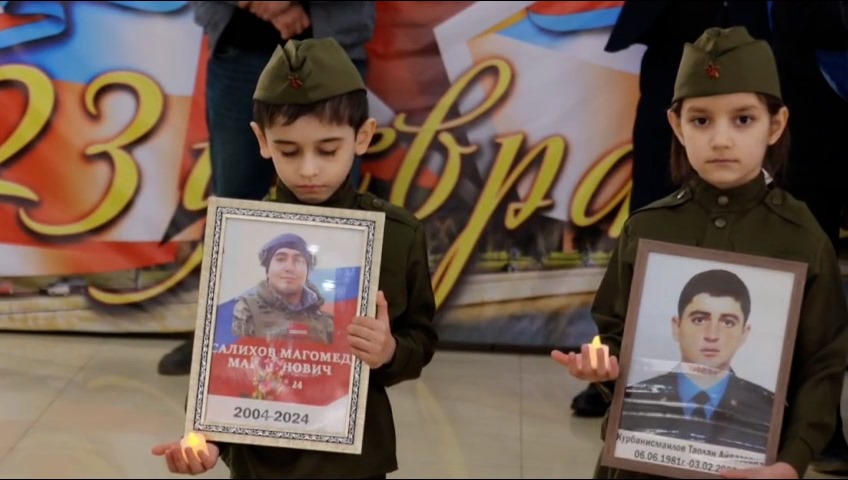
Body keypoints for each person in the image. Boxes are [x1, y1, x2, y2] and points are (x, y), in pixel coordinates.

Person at [552, 26, 848, 479]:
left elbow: (823, 364)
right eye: (701, 120)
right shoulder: (647, 228)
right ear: (677, 125)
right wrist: (601, 363)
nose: (721, 139)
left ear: (776, 125)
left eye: (743, 119)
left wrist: (791, 462)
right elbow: (614, 332)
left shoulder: (802, 238)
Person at [152, 37, 439, 479]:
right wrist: (205, 438)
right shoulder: (240, 235)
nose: (308, 169)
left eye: (328, 149)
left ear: (362, 136)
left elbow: (421, 338)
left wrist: (390, 351)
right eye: (288, 150)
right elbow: (221, 356)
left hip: (352, 464)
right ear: (262, 140)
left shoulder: (397, 236)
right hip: (259, 461)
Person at [571, 0, 772, 418]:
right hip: (674, 44)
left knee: (763, 216)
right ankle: (618, 372)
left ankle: (763, 386)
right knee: (652, 213)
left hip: (772, 45)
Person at [157, 0, 376, 376]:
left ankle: (330, 348)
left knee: (332, 211)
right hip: (240, 46)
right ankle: (220, 333)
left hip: (333, 47)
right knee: (233, 205)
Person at [620, 269, 773, 454]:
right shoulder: (635, 400)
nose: (712, 335)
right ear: (677, 327)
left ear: (744, 333)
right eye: (699, 320)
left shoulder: (767, 410)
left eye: (728, 322)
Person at [230, 233, 334, 344]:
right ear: (268, 270)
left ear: (307, 272)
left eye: (298, 260)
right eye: (280, 259)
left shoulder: (325, 323)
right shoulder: (246, 310)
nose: (290, 268)